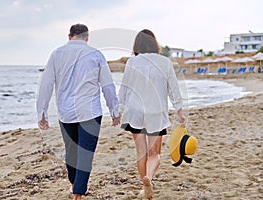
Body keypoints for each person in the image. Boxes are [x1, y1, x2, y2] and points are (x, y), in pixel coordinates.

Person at [36, 23, 120, 200]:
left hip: (65, 113)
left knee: (71, 150)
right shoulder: (96, 54)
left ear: (69, 36)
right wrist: (114, 110)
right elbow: (107, 85)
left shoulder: (56, 54)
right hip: (90, 112)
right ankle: (78, 192)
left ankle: (75, 185)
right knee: (85, 153)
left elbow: (46, 84)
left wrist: (41, 112)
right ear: (87, 37)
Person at [119, 29, 186, 199]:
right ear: (154, 43)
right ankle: (149, 177)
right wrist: (179, 111)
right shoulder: (165, 62)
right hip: (156, 112)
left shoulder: (132, 63)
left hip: (135, 112)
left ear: (137, 45)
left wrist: (118, 111)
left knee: (141, 152)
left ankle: (144, 185)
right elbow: (173, 89)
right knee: (154, 154)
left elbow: (124, 90)